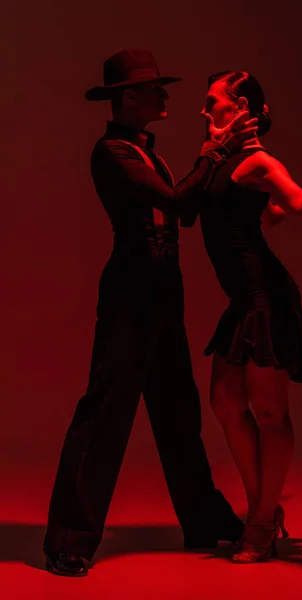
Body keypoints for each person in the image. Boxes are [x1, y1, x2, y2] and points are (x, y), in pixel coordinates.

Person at [43, 50, 258, 577]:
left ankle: (204, 519)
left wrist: (226, 160)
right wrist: (214, 151)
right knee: (106, 411)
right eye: (155, 89)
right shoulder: (112, 152)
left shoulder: (144, 150)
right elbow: (180, 204)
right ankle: (68, 541)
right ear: (128, 98)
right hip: (131, 293)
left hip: (162, 288)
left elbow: (182, 209)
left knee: (178, 410)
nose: (164, 97)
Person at [187, 70, 302, 563]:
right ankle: (263, 508)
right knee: (225, 403)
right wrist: (264, 216)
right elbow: (264, 215)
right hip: (242, 299)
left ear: (239, 105)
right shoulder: (221, 158)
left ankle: (261, 524)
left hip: (265, 297)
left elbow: (300, 206)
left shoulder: (260, 161)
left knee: (268, 412)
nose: (205, 111)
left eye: (212, 102)